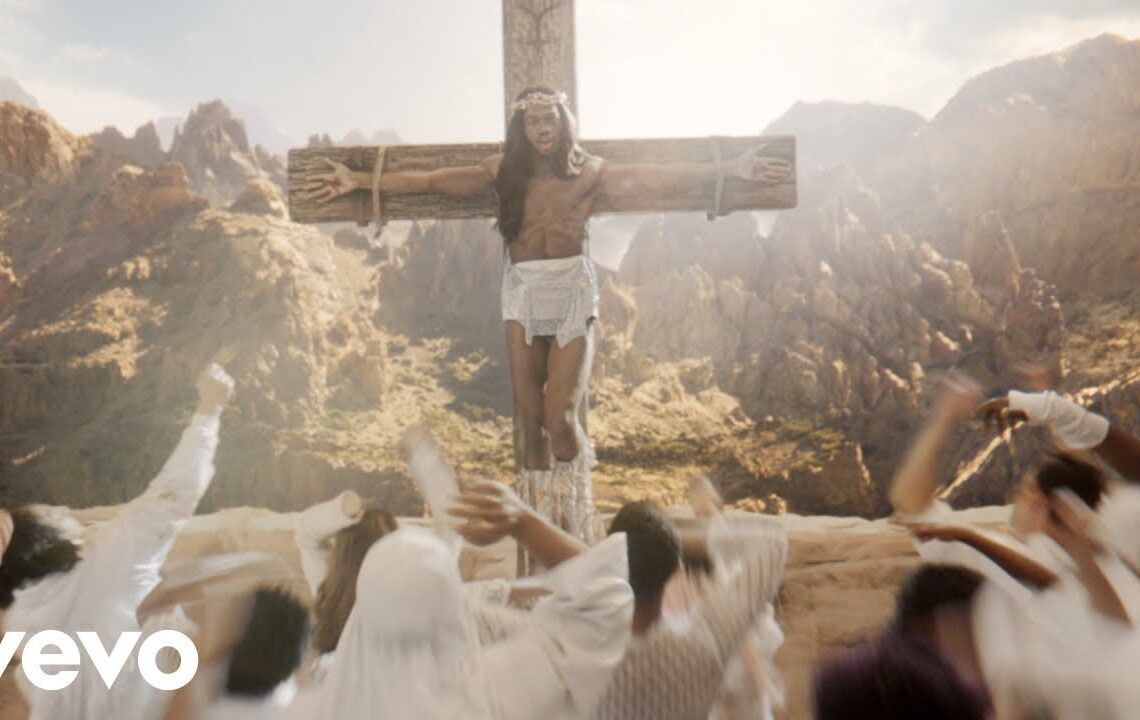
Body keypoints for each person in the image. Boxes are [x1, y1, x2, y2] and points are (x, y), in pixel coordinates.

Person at [305, 87, 791, 542]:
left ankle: (576, 514)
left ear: (563, 122)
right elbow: (432, 181)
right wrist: (362, 180)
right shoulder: (503, 171)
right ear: (522, 127)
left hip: (572, 291)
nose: (543, 127)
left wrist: (730, 170)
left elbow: (656, 176)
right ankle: (538, 521)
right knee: (530, 414)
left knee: (559, 416)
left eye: (550, 118)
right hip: (523, 292)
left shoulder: (589, 171)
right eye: (533, 120)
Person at [0, 364, 234, 720]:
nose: (60, 510)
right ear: (43, 538)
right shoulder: (108, 559)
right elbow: (172, 494)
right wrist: (208, 413)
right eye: (49, 512)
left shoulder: (23, 628)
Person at [290, 478, 633, 720]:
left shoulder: (313, 705)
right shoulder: (499, 693)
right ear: (451, 604)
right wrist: (524, 524)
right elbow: (607, 604)